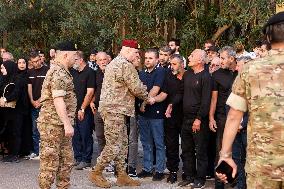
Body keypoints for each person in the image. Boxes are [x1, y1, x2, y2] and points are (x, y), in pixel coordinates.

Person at [216, 12, 284, 188]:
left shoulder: (250, 70)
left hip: (262, 167)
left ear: (268, 37)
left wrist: (225, 156)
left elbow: (233, 116)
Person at [89, 39, 149, 188]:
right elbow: (136, 87)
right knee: (115, 145)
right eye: (136, 52)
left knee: (122, 144)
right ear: (128, 50)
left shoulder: (114, 63)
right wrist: (149, 97)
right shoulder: (125, 65)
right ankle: (96, 172)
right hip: (115, 110)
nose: (137, 55)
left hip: (115, 110)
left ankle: (122, 175)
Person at [167, 49, 211, 189]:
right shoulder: (188, 75)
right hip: (185, 119)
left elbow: (206, 101)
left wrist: (198, 119)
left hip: (199, 120)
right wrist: (172, 104)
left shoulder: (206, 77)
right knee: (186, 149)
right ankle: (189, 176)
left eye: (192, 56)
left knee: (201, 150)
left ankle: (200, 178)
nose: (189, 57)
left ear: (200, 60)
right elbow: (181, 92)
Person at [37, 41, 78, 189]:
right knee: (50, 163)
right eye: (75, 55)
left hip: (60, 125)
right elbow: (58, 99)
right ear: (66, 55)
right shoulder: (59, 73)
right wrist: (67, 124)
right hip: (52, 125)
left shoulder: (63, 71)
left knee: (66, 161)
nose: (76, 59)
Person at [149, 54, 185, 184]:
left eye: (174, 64)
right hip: (170, 116)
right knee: (171, 145)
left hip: (185, 115)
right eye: (170, 64)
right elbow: (164, 94)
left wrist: (172, 104)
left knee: (186, 146)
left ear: (182, 64)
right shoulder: (168, 75)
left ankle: (187, 171)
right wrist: (153, 99)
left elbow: (182, 94)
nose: (171, 66)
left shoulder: (189, 76)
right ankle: (173, 171)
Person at [136, 48, 166, 181]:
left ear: (157, 60)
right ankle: (147, 169)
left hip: (156, 114)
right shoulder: (141, 74)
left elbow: (155, 90)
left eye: (150, 58)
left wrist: (144, 104)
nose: (147, 60)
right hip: (143, 115)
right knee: (146, 143)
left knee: (158, 143)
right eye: (146, 58)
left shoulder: (160, 72)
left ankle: (159, 170)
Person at [71, 51, 95, 170]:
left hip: (84, 109)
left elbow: (90, 92)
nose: (73, 62)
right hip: (73, 109)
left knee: (85, 134)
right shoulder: (74, 72)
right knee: (75, 135)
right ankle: (78, 157)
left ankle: (86, 159)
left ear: (81, 60)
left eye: (75, 60)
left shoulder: (90, 72)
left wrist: (82, 108)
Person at [0, 60, 27, 162]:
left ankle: (15, 154)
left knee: (16, 132)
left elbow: (16, 93)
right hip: (8, 111)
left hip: (17, 110)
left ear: (9, 68)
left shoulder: (18, 79)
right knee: (10, 132)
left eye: (3, 68)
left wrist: (6, 99)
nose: (2, 70)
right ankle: (11, 153)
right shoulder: (5, 79)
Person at [27, 51, 49, 160]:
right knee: (35, 129)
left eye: (37, 60)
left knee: (45, 129)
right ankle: (36, 151)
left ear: (40, 59)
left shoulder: (47, 70)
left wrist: (40, 100)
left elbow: (48, 88)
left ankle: (45, 152)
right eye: (33, 62)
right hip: (33, 105)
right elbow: (29, 87)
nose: (36, 63)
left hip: (45, 104)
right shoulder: (29, 72)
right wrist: (32, 100)